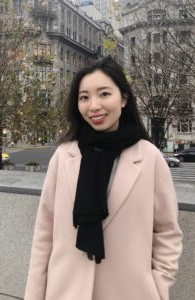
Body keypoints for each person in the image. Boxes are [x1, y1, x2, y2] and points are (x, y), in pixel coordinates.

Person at [24, 57, 182, 300]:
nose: (94, 105)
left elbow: (167, 232)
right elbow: (44, 232)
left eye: (104, 94)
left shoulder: (149, 157)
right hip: (66, 292)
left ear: (124, 98)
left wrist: (158, 286)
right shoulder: (65, 155)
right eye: (84, 97)